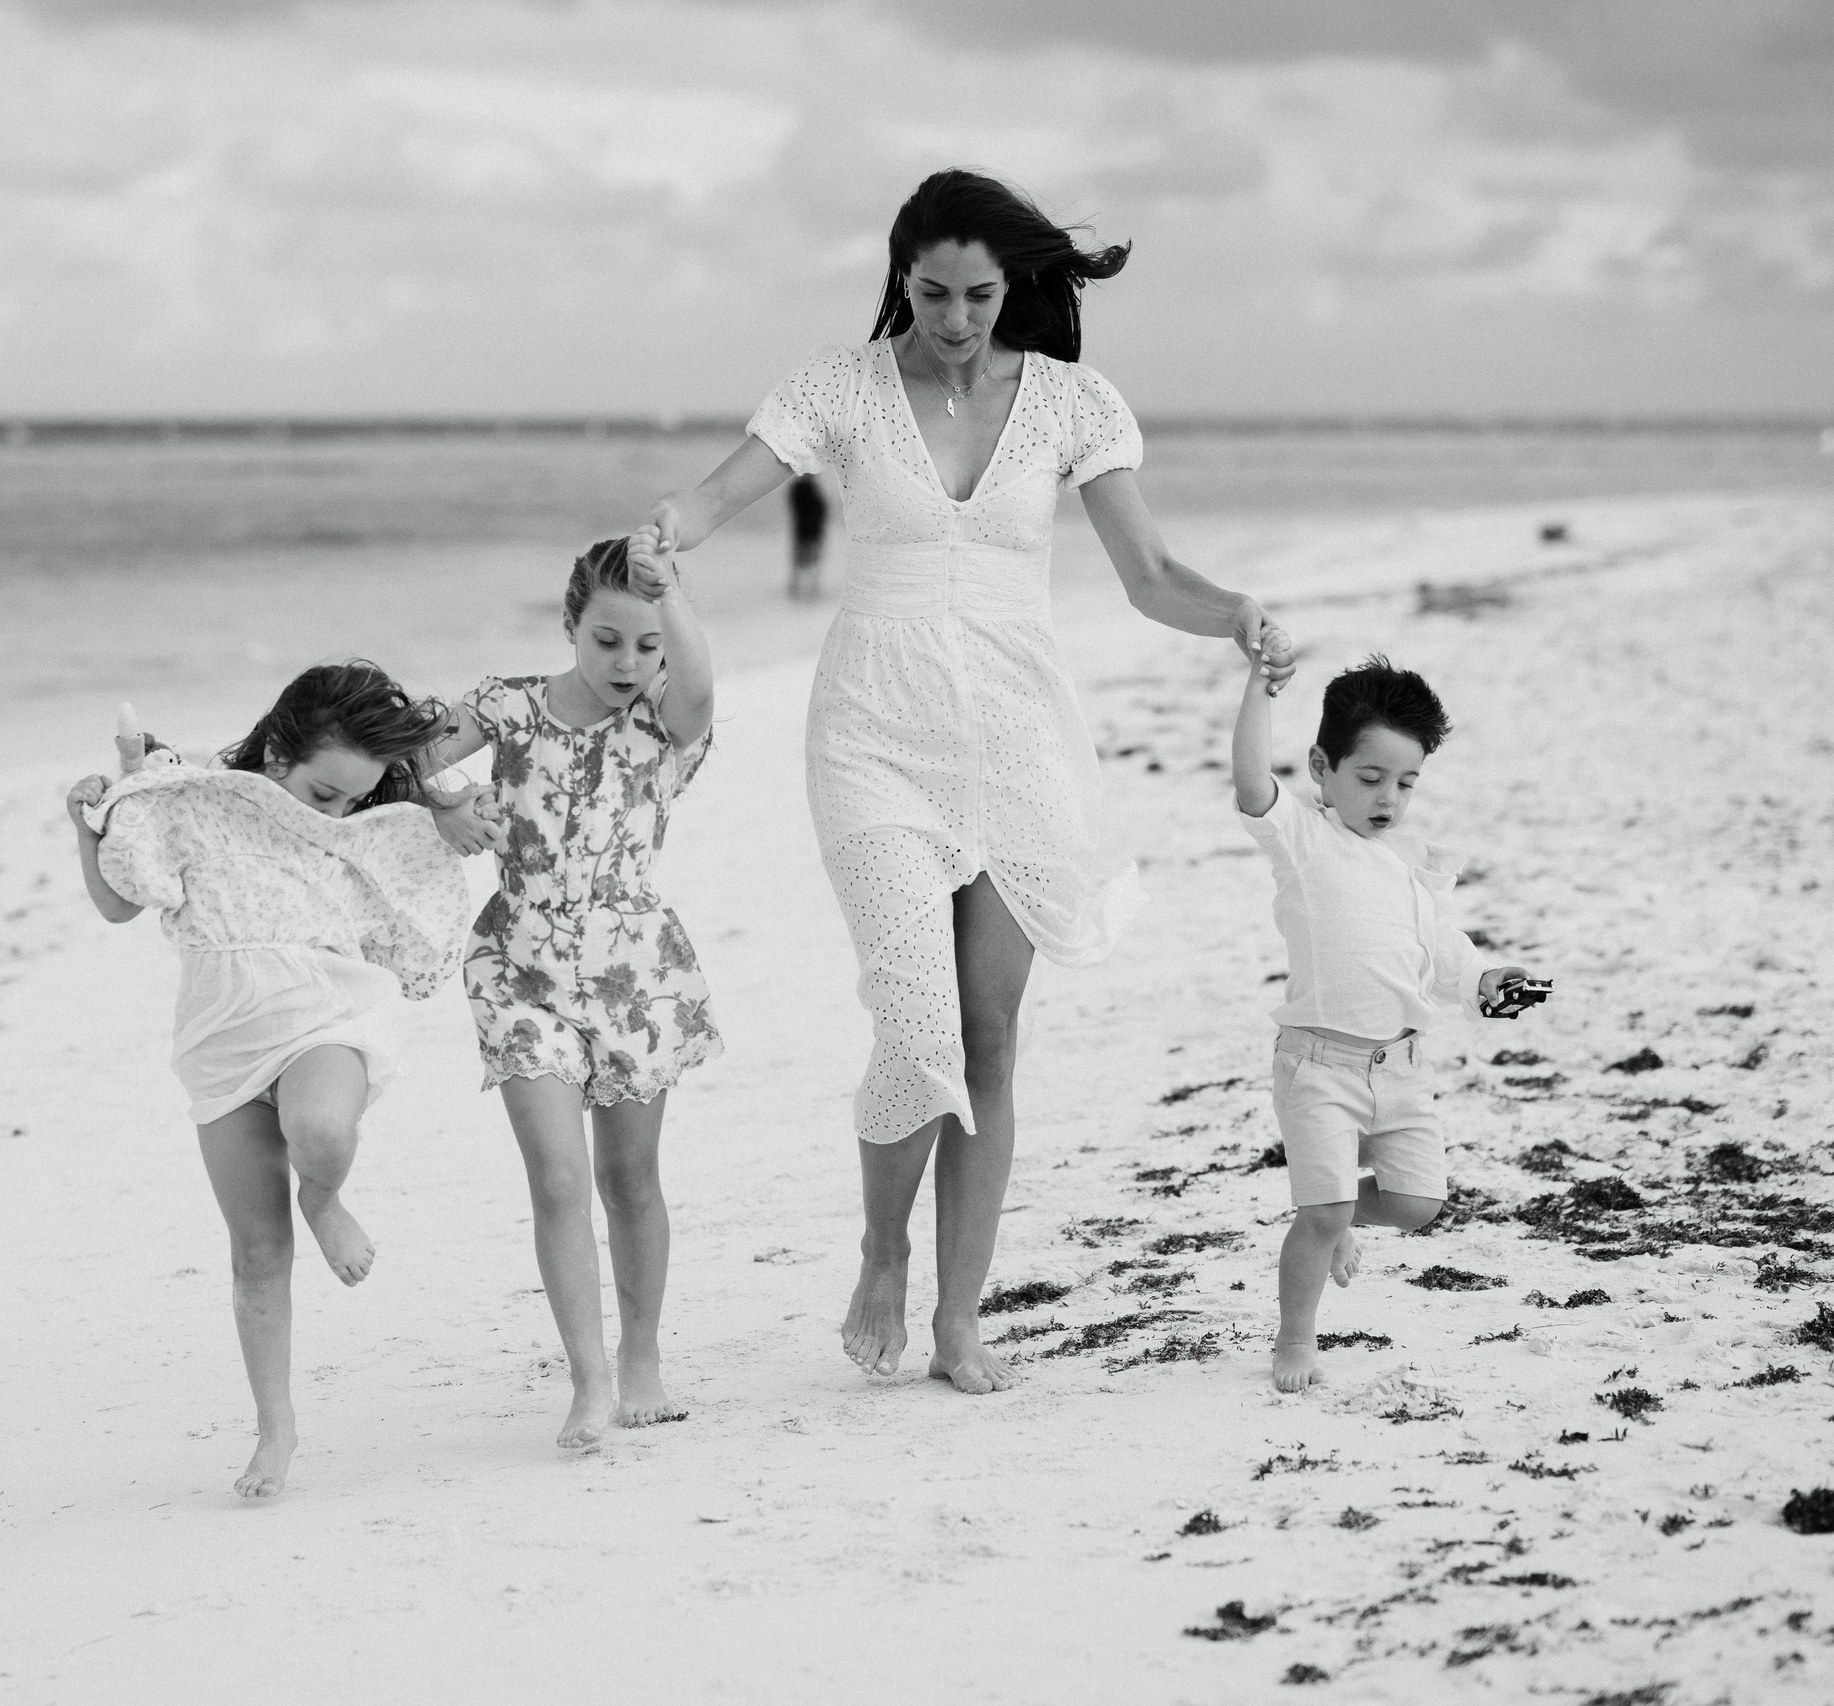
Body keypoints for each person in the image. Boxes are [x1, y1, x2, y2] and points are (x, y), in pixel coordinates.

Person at [636, 168, 1296, 1394]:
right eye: (930, 292)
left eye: (977, 293)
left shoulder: (1069, 404)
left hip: (1013, 735)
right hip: (872, 733)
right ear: (902, 280)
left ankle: (958, 1320)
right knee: (917, 1017)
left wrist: (1236, 615)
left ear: (1014, 286)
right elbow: (720, 492)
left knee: (988, 1037)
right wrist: (661, 535)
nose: (952, 316)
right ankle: (882, 1251)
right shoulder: (841, 384)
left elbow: (1148, 573)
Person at [64, 661, 499, 1498]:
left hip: (324, 1016)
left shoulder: (365, 829)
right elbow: (122, 902)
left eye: (354, 800)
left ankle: (325, 1198)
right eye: (323, 793)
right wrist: (89, 823)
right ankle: (276, 1427)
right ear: (274, 757)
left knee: (325, 1131)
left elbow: (429, 843)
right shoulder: (199, 807)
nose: (338, 814)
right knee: (258, 1254)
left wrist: (447, 812)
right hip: (222, 1043)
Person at [421, 536, 721, 1449]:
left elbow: (700, 685)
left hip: (636, 976)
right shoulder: (506, 706)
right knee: (557, 1180)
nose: (627, 664)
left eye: (646, 645)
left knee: (629, 1179)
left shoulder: (668, 724)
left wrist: (673, 599)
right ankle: (588, 1385)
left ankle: (641, 1362)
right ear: (570, 629)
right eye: (606, 642)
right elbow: (398, 751)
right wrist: (441, 804)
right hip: (518, 971)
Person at [1230, 652, 1536, 1393]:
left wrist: (1484, 980)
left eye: (1406, 783)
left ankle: (1333, 1218)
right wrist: (1257, 689)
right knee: (1325, 1209)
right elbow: (1247, 780)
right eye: (1370, 779)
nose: (1389, 799)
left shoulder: (1413, 862)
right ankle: (1295, 1337)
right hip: (1318, 1066)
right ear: (1322, 767)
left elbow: (1442, 950)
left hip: (1401, 1068)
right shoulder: (1303, 839)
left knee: (1416, 1203)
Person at [787, 473, 829, 600]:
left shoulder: (803, 488)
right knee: (806, 559)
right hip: (808, 529)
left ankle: (803, 588)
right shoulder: (805, 489)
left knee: (805, 559)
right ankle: (805, 589)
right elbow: (818, 508)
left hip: (807, 529)